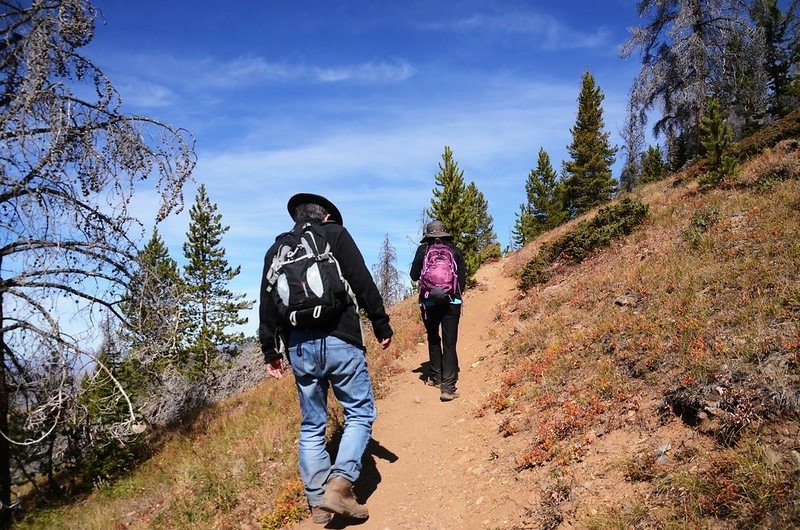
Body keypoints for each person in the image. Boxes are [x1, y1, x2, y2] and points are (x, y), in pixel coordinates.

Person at [259, 193, 393, 524]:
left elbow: (266, 303)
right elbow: (362, 281)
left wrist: (270, 351)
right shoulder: (334, 235)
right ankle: (341, 486)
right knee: (360, 413)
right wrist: (380, 322)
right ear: (327, 216)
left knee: (312, 424)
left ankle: (318, 500)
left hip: (299, 348)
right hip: (341, 339)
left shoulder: (276, 250)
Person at [410, 220, 466, 402]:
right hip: (452, 302)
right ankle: (448, 388)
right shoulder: (454, 250)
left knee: (433, 337)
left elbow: (413, 275)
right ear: (444, 233)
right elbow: (462, 280)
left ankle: (435, 377)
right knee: (449, 343)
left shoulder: (423, 250)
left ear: (428, 234)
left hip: (428, 303)